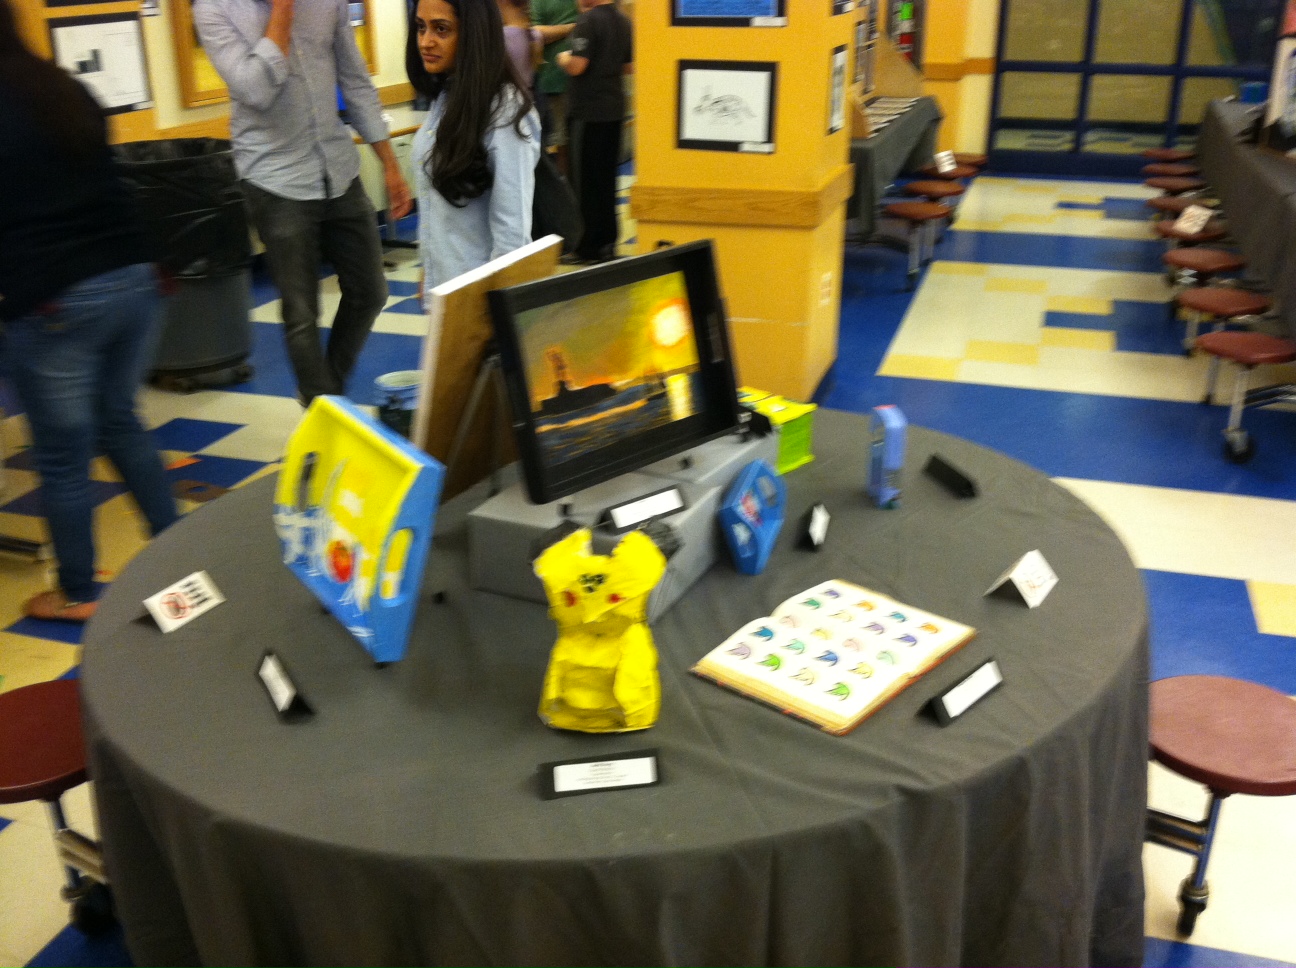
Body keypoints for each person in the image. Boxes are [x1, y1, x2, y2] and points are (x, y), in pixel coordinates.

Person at [0, 0, 178, 622]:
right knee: (119, 421)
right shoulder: (60, 87)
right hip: (134, 279)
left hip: (59, 300)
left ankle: (77, 593)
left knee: (62, 458)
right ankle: (178, 554)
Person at [194, 0, 412, 405]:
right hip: (273, 176)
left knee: (370, 290)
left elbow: (355, 80)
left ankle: (326, 394)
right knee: (301, 313)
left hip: (337, 166)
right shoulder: (214, 9)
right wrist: (282, 11)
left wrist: (389, 164)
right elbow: (256, 90)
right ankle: (323, 408)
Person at [407, 0, 541, 293]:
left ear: (472, 32)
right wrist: (428, 270)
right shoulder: (447, 97)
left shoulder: (504, 110)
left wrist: (491, 309)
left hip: (478, 299)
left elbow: (512, 236)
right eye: (420, 28)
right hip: (443, 292)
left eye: (441, 29)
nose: (425, 42)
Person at [557, 0, 631, 265]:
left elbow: (577, 66)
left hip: (588, 113)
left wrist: (563, 58)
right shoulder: (623, 21)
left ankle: (586, 247)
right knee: (606, 180)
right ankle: (607, 243)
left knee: (584, 183)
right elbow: (629, 66)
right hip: (614, 110)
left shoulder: (588, 22)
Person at [530, 0, 578, 169]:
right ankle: (562, 184)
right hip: (555, 83)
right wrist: (573, 27)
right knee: (560, 145)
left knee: (582, 144)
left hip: (588, 83)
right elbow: (536, 33)